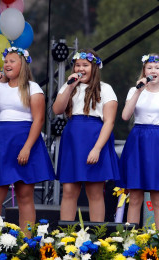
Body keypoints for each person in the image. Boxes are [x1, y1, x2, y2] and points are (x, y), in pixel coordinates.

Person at [0, 47, 55, 233]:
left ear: (22, 65)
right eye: (6, 61)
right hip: (4, 141)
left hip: (25, 140)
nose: (7, 64)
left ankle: (27, 242)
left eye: (12, 61)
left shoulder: (33, 87)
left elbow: (39, 120)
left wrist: (27, 148)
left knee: (25, 195)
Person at [53, 49, 119, 222]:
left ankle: (97, 237)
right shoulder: (69, 86)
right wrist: (69, 86)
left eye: (85, 65)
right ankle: (66, 234)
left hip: (94, 139)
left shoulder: (106, 89)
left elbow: (109, 122)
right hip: (73, 140)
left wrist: (97, 149)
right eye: (77, 65)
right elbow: (57, 109)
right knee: (68, 190)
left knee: (95, 191)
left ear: (94, 67)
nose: (81, 69)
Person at [117, 54, 159, 230]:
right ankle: (130, 241)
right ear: (144, 70)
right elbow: (124, 116)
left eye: (157, 67)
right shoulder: (134, 90)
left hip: (158, 141)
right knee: (135, 195)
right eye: (149, 67)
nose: (153, 70)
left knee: (158, 197)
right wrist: (138, 90)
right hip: (137, 140)